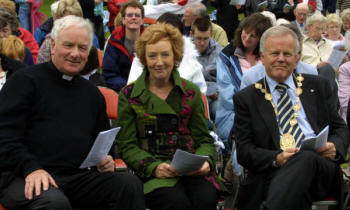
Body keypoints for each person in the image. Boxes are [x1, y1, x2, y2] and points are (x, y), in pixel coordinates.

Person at [0, 15, 145, 210]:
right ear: (53, 45)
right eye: (68, 45)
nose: (75, 53)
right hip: (23, 174)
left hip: (74, 177)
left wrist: (105, 159)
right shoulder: (24, 81)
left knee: (128, 185)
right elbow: (6, 136)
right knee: (55, 203)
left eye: (82, 48)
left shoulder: (92, 94)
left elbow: (101, 140)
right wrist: (31, 169)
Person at [233, 25, 349, 210]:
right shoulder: (247, 98)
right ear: (262, 57)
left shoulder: (318, 86)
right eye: (274, 53)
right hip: (273, 171)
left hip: (319, 168)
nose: (281, 59)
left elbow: (340, 128)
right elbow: (245, 151)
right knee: (295, 192)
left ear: (297, 58)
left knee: (304, 157)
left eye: (287, 54)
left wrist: (335, 147)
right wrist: (277, 157)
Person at [117, 23, 219, 210]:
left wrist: (206, 161)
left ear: (176, 57)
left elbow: (204, 138)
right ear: (144, 59)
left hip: (192, 171)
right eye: (152, 56)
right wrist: (153, 167)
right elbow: (127, 146)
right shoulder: (129, 95)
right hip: (154, 172)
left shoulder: (191, 91)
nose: (159, 62)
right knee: (175, 203)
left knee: (206, 199)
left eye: (165, 54)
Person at [215, 13, 272, 152]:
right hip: (234, 112)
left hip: (267, 111)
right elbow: (226, 94)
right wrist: (253, 111)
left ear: (262, 38)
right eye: (246, 32)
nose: (247, 38)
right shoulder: (227, 56)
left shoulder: (268, 57)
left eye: (253, 36)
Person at [127, 12, 207, 94]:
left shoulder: (193, 65)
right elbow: (131, 92)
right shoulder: (140, 60)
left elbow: (201, 95)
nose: (159, 63)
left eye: (173, 38)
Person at [103, 0, 144, 92]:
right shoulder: (114, 41)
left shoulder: (150, 41)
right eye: (129, 15)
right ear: (123, 20)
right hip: (121, 90)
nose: (133, 17)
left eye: (137, 15)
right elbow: (109, 73)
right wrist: (128, 87)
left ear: (142, 20)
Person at [191, 17, 222, 120]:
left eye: (205, 38)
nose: (202, 43)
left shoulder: (219, 52)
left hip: (215, 95)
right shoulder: (185, 51)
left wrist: (216, 91)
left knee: (219, 109)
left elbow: (225, 79)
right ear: (192, 34)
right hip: (193, 95)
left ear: (210, 36)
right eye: (199, 38)